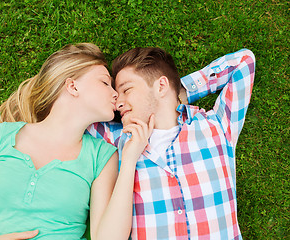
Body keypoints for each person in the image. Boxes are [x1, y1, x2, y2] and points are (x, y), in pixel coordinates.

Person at [0, 43, 154, 240]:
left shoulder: (102, 156)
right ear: (72, 86)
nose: (116, 94)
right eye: (104, 83)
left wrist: (128, 162)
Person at [86, 47, 255, 239]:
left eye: (126, 90)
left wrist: (178, 93)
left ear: (161, 86)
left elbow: (244, 61)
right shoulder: (118, 139)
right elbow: (76, 116)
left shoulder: (217, 126)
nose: (118, 103)